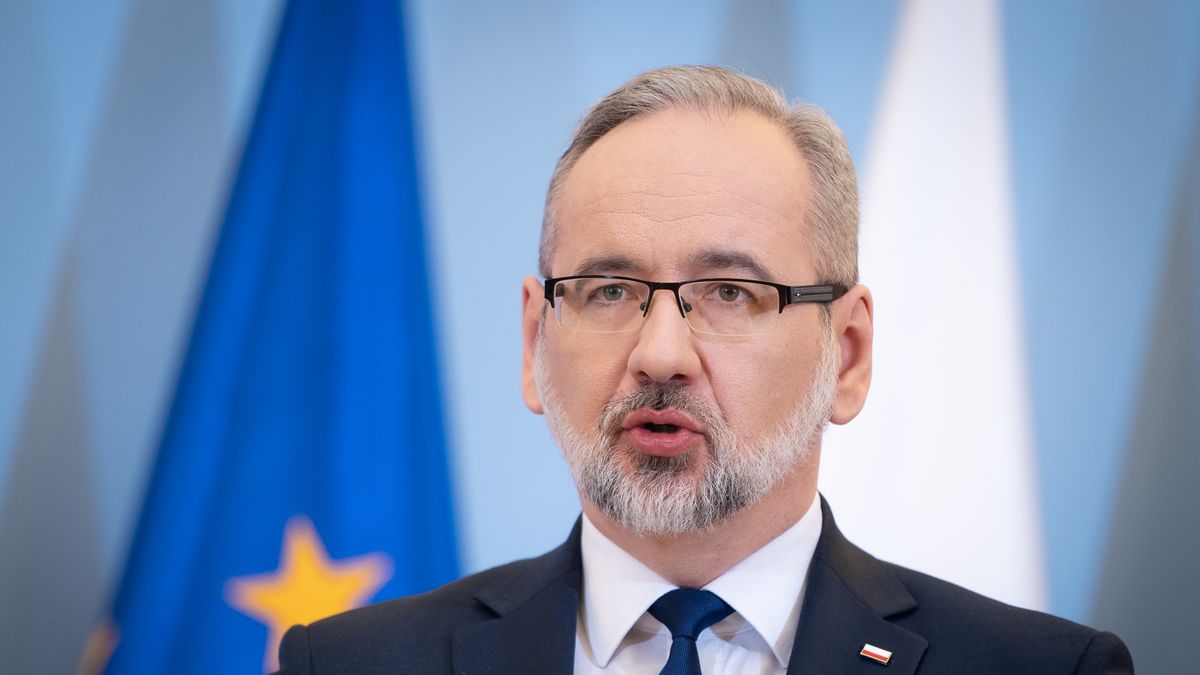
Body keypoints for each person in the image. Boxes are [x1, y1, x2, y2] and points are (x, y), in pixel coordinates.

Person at [275, 65, 1132, 674]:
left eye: (730, 291)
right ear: (535, 342)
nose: (659, 353)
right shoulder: (348, 662)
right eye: (610, 289)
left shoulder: (1045, 668)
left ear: (848, 354)